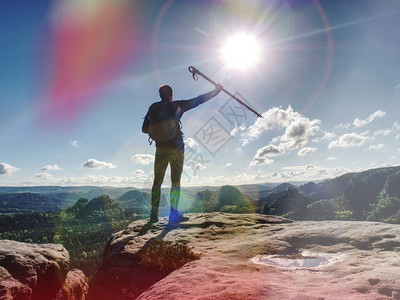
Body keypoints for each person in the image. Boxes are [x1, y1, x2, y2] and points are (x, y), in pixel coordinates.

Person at [142, 83, 223, 224]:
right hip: (176, 148)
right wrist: (216, 91)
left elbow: (144, 129)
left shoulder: (153, 107)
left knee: (157, 182)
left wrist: (159, 132)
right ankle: (173, 216)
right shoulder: (177, 105)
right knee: (175, 182)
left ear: (160, 95)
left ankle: (153, 216)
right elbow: (199, 100)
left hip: (161, 148)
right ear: (171, 95)